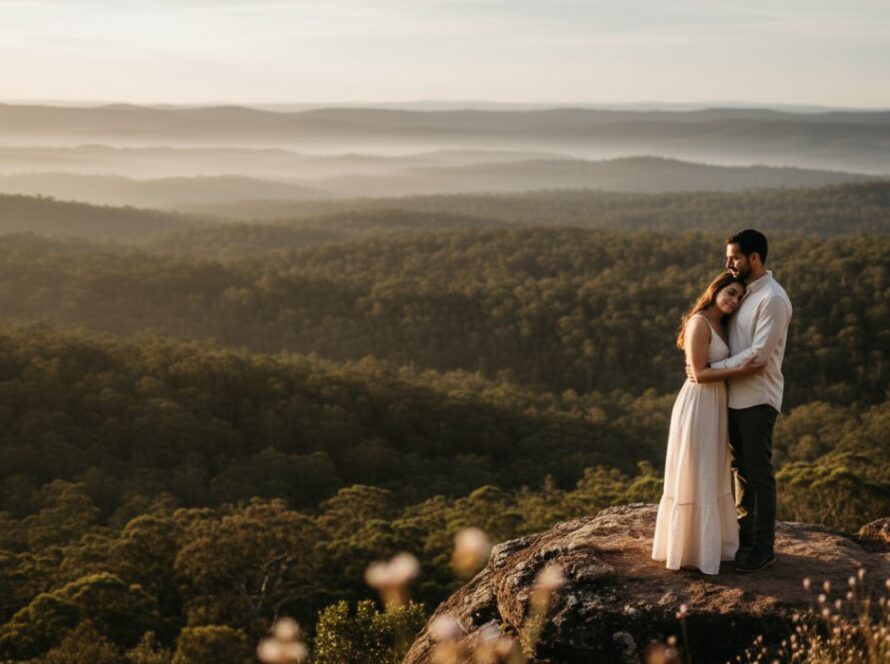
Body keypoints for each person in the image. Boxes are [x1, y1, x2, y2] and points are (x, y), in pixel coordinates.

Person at [652, 272, 764, 575]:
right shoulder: (699, 322)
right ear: (715, 290)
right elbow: (699, 373)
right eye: (730, 292)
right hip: (699, 404)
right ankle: (688, 548)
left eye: (739, 297)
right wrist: (741, 369)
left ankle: (710, 545)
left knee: (712, 471)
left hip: (716, 406)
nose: (734, 300)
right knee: (696, 470)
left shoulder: (722, 324)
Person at [704, 229, 792, 573]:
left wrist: (711, 368)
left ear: (754, 258)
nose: (728, 263)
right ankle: (744, 539)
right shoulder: (745, 294)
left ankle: (763, 548)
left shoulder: (773, 298)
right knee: (740, 471)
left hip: (758, 397)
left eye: (734, 257)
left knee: (758, 473)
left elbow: (758, 356)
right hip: (734, 396)